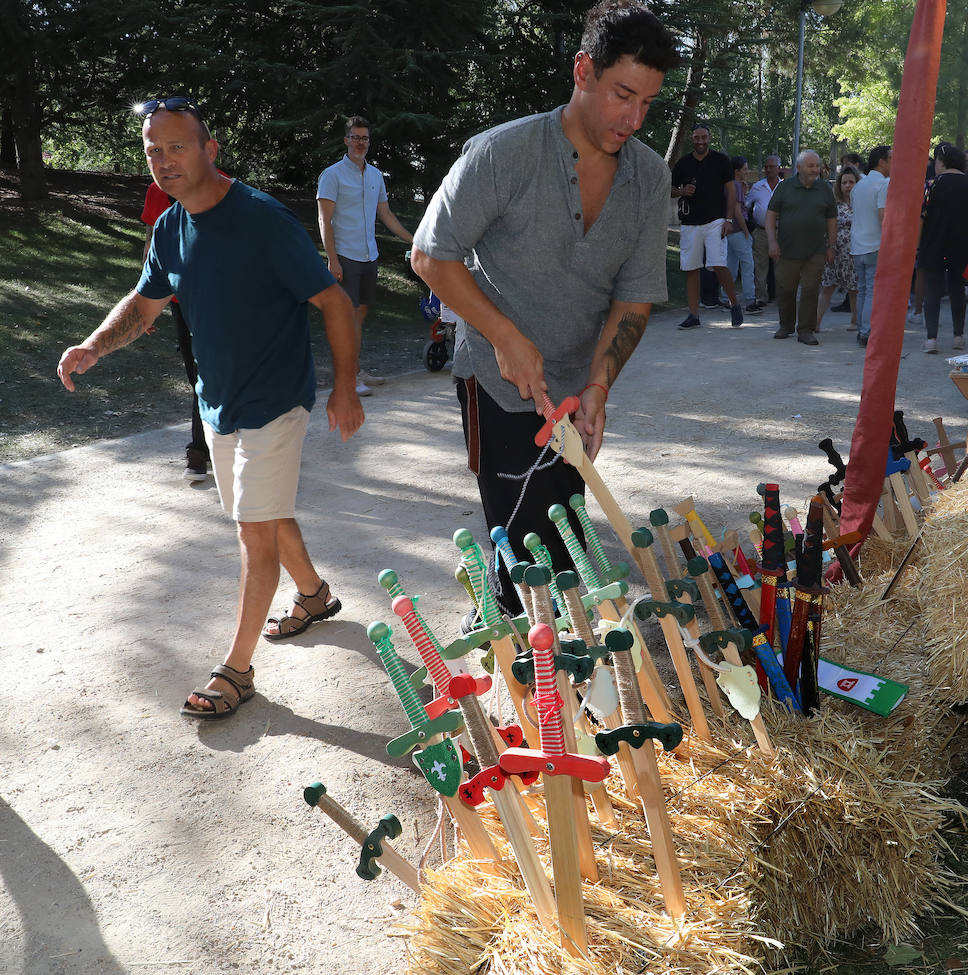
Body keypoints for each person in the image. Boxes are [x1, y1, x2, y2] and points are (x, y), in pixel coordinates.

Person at [57, 97, 365, 719]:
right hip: (217, 402)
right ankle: (313, 595)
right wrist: (93, 346)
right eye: (153, 150)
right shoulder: (171, 226)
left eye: (176, 147)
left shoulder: (263, 221)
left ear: (209, 150)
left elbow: (333, 302)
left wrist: (344, 388)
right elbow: (145, 306)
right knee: (265, 514)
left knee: (253, 531)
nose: (163, 162)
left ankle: (238, 669)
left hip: (274, 401)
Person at [410, 0, 676, 616]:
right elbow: (431, 255)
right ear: (583, 71)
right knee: (523, 535)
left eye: (647, 103)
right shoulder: (504, 152)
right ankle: (517, 642)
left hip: (575, 389)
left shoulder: (649, 178)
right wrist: (504, 335)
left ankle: (525, 632)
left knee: (567, 529)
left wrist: (599, 388)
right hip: (498, 381)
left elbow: (633, 300)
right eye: (622, 95)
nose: (634, 119)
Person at [316, 116, 415, 397]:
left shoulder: (375, 176)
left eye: (365, 138)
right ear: (346, 140)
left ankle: (355, 371)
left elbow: (385, 214)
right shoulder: (332, 175)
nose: (361, 143)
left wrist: (414, 240)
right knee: (347, 321)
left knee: (358, 319)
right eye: (356, 137)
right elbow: (324, 220)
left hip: (369, 256)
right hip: (345, 257)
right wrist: (332, 260)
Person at [141, 178, 210, 482]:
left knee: (214, 368)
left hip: (219, 294)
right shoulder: (157, 190)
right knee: (197, 373)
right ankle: (202, 449)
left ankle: (199, 450)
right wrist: (146, 305)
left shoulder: (218, 182)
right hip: (181, 297)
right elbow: (151, 241)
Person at [916, 143, 968, 354]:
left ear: (942, 161)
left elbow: (921, 215)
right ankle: (958, 336)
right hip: (963, 245)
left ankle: (931, 339)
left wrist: (917, 246)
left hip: (933, 244)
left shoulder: (931, 185)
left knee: (933, 291)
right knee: (957, 289)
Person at [671, 124, 740, 329]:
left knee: (718, 264)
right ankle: (694, 315)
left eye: (704, 137)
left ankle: (734, 304)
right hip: (690, 223)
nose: (700, 141)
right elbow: (671, 190)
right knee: (691, 268)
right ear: (692, 139)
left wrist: (728, 220)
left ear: (709, 138)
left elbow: (731, 192)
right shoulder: (683, 163)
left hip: (715, 221)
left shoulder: (721, 161)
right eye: (696, 137)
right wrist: (683, 192)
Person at [766, 149, 837, 347]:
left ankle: (806, 330)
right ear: (798, 168)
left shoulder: (825, 189)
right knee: (785, 288)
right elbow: (771, 214)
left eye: (817, 165)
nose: (816, 169)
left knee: (810, 289)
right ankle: (786, 325)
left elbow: (831, 219)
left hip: (815, 250)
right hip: (787, 250)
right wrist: (772, 241)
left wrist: (831, 245)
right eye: (811, 166)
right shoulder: (785, 188)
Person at [849, 144, 890, 346]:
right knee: (871, 290)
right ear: (882, 161)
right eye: (891, 158)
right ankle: (866, 332)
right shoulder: (884, 183)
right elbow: (884, 215)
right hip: (875, 244)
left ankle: (862, 330)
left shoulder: (859, 185)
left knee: (863, 289)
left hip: (858, 244)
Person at [818, 166, 860, 331]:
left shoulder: (862, 204)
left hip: (855, 251)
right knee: (828, 286)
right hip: (835, 250)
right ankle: (816, 322)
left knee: (854, 289)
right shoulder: (833, 204)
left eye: (851, 182)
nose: (848, 185)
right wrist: (830, 246)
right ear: (839, 185)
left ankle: (855, 321)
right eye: (844, 182)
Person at [744, 155, 782, 310]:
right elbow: (746, 206)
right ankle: (761, 297)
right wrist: (751, 225)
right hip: (760, 231)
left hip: (780, 232)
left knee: (781, 266)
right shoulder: (757, 187)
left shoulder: (785, 187)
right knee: (760, 266)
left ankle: (782, 296)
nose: (768, 169)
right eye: (766, 167)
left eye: (771, 167)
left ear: (778, 168)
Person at [723, 155, 758, 318]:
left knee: (731, 264)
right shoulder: (736, 185)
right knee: (747, 264)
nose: (747, 172)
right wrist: (745, 231)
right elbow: (737, 211)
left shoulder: (733, 185)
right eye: (744, 169)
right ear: (736, 171)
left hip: (729, 231)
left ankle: (726, 298)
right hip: (737, 229)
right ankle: (750, 300)